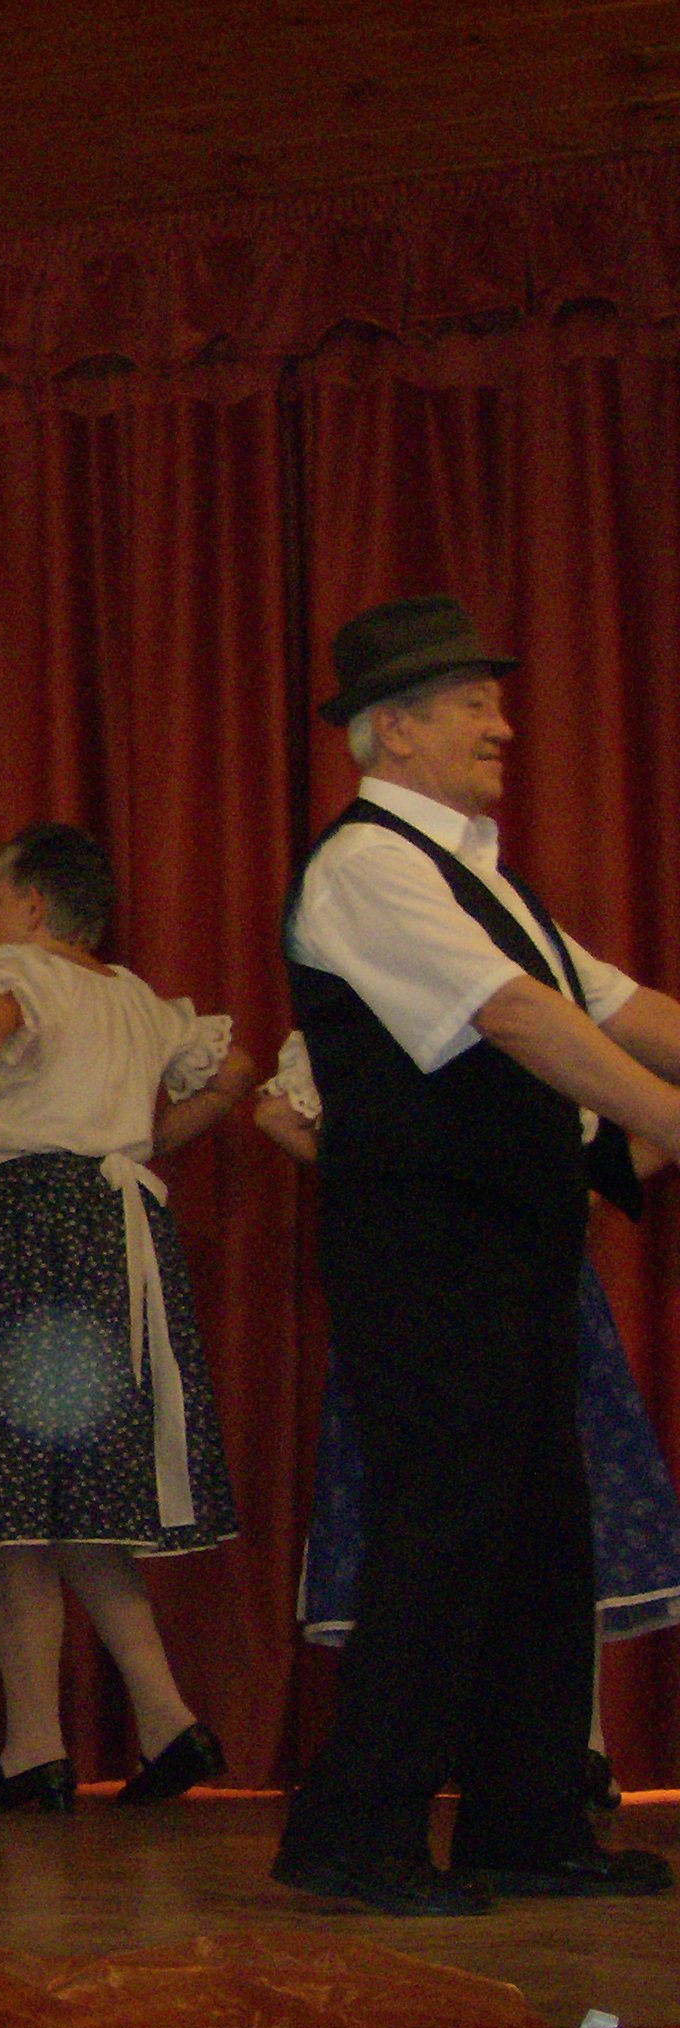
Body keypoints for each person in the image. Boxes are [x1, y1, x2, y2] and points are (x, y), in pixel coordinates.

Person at [273, 595, 680, 1914]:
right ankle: (355, 1834)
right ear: (391, 730)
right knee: (444, 1526)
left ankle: (523, 1823)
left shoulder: (481, 873)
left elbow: (613, 1003)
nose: (502, 722)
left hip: (508, 1241)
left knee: (537, 1532)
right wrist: (669, 1117)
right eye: (471, 703)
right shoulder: (366, 865)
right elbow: (511, 1016)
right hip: (424, 1244)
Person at [0, 823, 252, 1814]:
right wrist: (144, 1139)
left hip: (27, 1229)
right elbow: (233, 1070)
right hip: (114, 1232)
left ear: (32, 903)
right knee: (79, 1498)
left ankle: (35, 1747)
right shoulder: (135, 997)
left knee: (16, 1497)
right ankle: (165, 1722)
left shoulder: (17, 974)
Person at [257, 1033, 680, 1809]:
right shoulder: (532, 1014)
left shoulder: (406, 1018)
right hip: (491, 1275)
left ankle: (536, 1749)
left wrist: (379, 1178)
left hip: (446, 1275)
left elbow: (278, 1117)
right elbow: (276, 1116)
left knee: (501, 1502)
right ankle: (556, 1748)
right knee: (530, 1502)